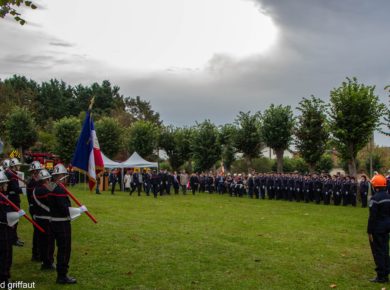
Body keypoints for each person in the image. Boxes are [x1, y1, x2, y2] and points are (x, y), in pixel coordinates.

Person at [48, 164, 79, 284]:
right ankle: (62, 275)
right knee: (64, 249)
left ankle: (62, 274)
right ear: (61, 176)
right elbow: (64, 209)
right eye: (65, 176)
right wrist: (78, 210)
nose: (66, 178)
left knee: (62, 248)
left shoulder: (52, 186)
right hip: (61, 223)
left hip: (55, 221)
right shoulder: (59, 189)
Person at [367, 174, 390, 283]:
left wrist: (369, 231)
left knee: (378, 252)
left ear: (375, 186)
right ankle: (386, 271)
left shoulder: (375, 198)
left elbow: (372, 217)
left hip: (377, 229)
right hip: (386, 228)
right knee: (385, 250)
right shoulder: (388, 196)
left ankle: (381, 276)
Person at [32, 169, 55, 270]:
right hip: (47, 219)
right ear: (46, 179)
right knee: (48, 242)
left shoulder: (36, 188)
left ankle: (44, 260)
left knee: (42, 241)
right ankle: (47, 262)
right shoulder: (45, 189)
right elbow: (52, 200)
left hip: (39, 218)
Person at [26, 161, 44, 261]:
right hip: (35, 209)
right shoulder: (33, 183)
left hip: (38, 209)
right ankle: (36, 254)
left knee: (39, 231)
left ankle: (38, 253)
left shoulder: (36, 181)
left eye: (37, 172)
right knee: (38, 231)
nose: (36, 173)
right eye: (35, 172)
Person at [4, 158, 24, 247]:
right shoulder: (12, 175)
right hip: (13, 199)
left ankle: (13, 238)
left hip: (10, 198)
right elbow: (15, 189)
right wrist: (23, 190)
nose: (19, 166)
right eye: (18, 165)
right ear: (14, 166)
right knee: (14, 220)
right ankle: (13, 239)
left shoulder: (9, 173)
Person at [0, 171, 15, 285]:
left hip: (4, 227)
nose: (6, 185)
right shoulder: (2, 199)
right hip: (3, 228)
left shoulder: (3, 197)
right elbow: (5, 216)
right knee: (5, 253)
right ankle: (4, 279)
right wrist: (16, 215)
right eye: (4, 184)